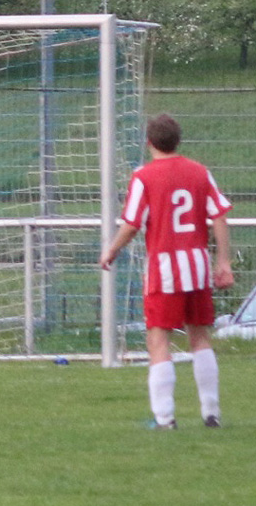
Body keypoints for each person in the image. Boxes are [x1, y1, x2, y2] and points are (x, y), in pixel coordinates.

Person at [99, 113, 233, 430]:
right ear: (178, 140)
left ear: (148, 142)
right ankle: (211, 414)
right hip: (197, 266)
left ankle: (165, 418)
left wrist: (112, 250)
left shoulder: (144, 177)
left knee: (158, 341)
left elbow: (132, 224)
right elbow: (219, 216)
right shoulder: (200, 172)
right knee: (200, 338)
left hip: (165, 269)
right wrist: (223, 261)